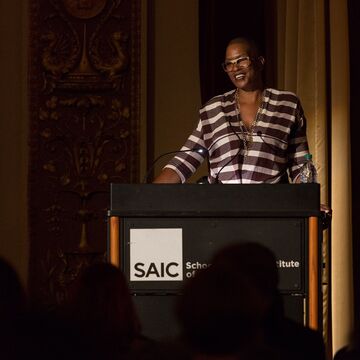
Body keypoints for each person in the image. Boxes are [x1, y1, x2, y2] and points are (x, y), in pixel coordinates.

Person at [153, 37, 310, 184]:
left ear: (260, 62)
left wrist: (310, 200)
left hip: (272, 207)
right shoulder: (213, 109)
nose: (235, 68)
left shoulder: (287, 104)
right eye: (229, 64)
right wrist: (143, 198)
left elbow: (301, 165)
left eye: (242, 60)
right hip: (223, 208)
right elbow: (185, 161)